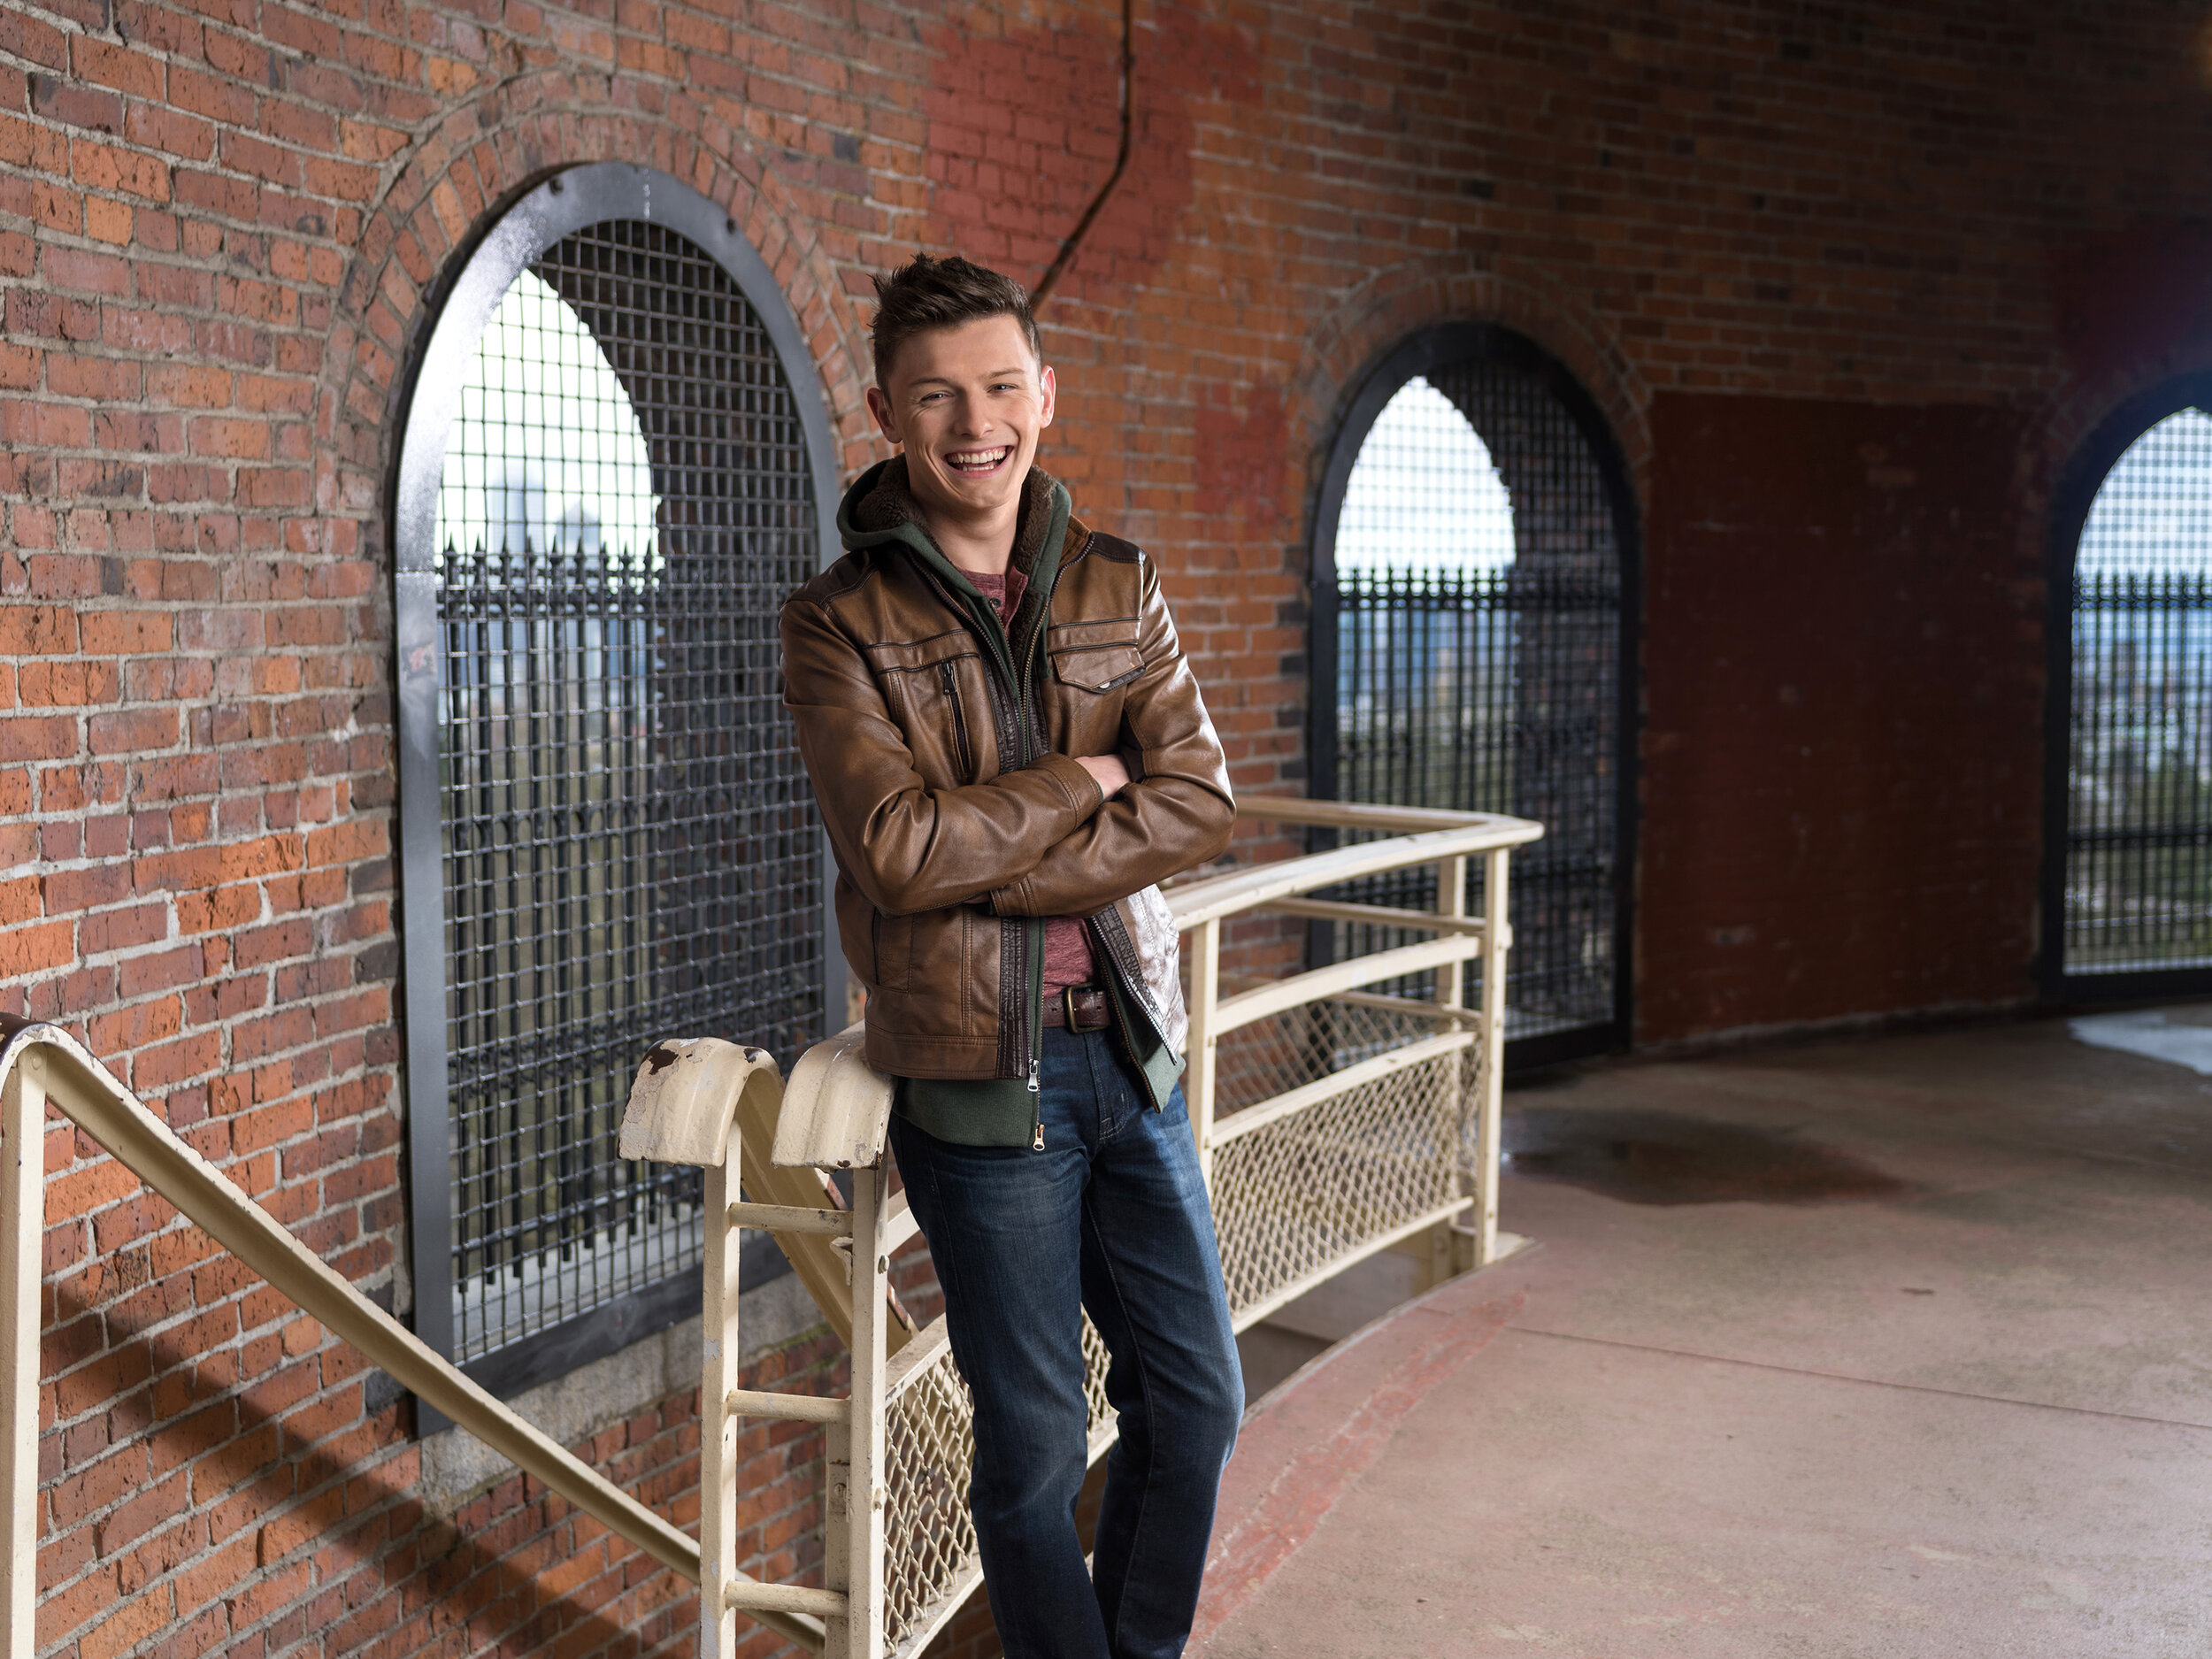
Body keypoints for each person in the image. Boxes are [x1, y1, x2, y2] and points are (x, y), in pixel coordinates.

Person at [779, 253, 1243, 1659]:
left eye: (998, 387)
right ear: (887, 410)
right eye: (937, 397)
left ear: (1043, 393)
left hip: (1126, 1052)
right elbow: (896, 855)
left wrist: (1004, 855)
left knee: (1199, 1400)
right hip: (985, 1092)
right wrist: (1089, 782)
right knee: (1035, 1455)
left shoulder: (1119, 581)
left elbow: (1204, 800)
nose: (974, 423)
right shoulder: (837, 621)